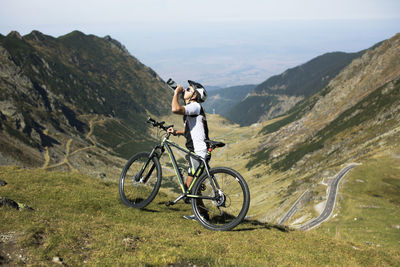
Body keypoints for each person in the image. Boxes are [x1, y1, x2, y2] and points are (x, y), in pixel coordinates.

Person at [167, 80, 209, 220]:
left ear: (194, 96)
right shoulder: (192, 108)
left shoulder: (195, 106)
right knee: (190, 185)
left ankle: (203, 215)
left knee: (191, 185)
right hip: (195, 152)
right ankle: (201, 213)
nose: (185, 90)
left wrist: (176, 93)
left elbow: (175, 109)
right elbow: (188, 129)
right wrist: (176, 132)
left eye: (188, 89)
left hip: (199, 152)